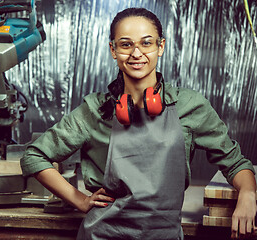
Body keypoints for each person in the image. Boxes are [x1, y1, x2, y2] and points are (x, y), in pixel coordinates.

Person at [21, 7, 256, 239]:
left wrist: (247, 194)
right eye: (125, 44)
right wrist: (79, 200)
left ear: (160, 47)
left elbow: (235, 163)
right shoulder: (94, 111)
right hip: (102, 234)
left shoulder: (189, 106)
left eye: (146, 43)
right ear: (113, 50)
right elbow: (34, 156)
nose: (136, 53)